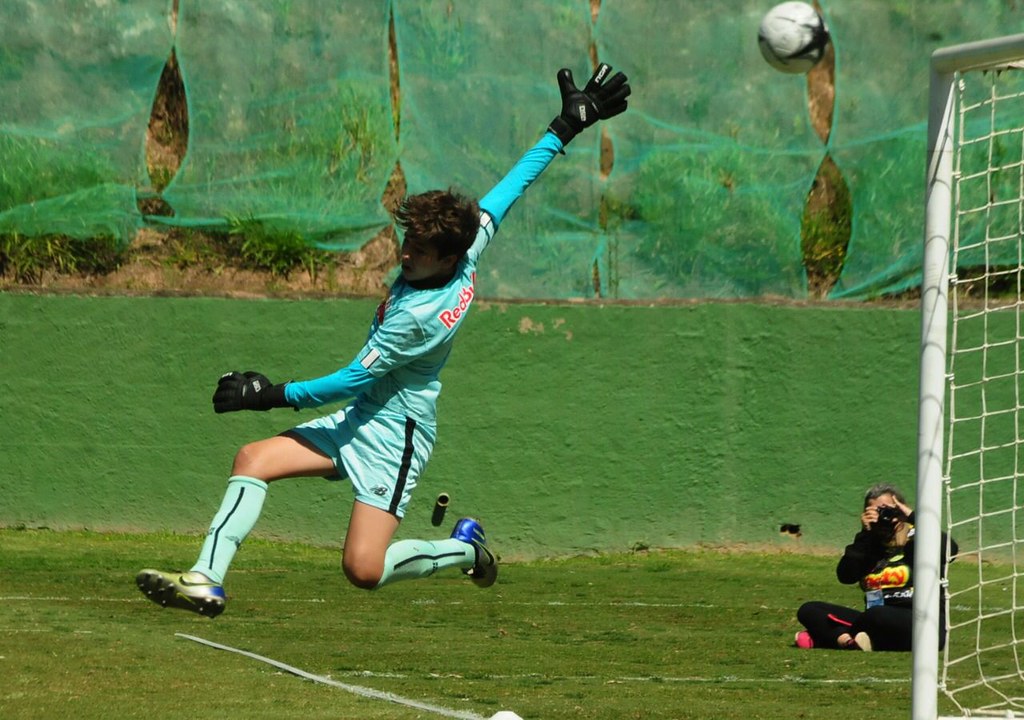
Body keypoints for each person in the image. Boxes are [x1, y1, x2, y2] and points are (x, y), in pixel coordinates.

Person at [135, 63, 632, 618]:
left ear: (445, 258)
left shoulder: (418, 318)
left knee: (363, 570)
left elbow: (350, 378)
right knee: (252, 458)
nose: (404, 253)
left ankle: (464, 550)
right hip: (367, 413)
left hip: (397, 436)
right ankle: (206, 577)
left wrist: (269, 393)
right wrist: (564, 128)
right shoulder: (463, 248)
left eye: (417, 249)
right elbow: (510, 189)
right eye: (407, 240)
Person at [794, 483, 958, 651]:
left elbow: (950, 551)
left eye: (887, 509)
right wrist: (865, 534)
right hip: (873, 618)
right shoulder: (869, 544)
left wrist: (912, 516)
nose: (882, 515)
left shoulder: (919, 538)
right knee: (809, 609)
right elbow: (846, 576)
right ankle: (849, 641)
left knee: (877, 614)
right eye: (875, 511)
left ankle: (831, 637)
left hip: (920, 621)